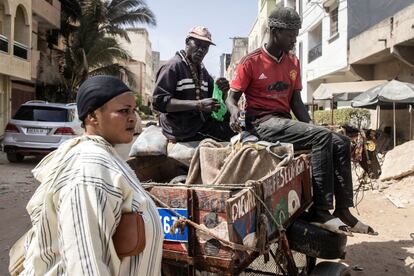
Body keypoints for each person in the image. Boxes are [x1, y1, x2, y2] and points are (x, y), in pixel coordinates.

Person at [226, 7, 376, 235]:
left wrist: (312, 126)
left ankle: (343, 210)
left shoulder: (293, 62)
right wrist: (234, 111)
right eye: (290, 34)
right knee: (322, 136)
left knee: (341, 141)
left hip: (284, 122)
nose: (294, 40)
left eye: (296, 34)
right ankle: (321, 211)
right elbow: (231, 98)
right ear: (275, 32)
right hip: (262, 123)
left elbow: (296, 102)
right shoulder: (251, 62)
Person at [19, 75, 163, 275]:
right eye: (123, 111)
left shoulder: (106, 156)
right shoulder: (88, 170)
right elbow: (85, 264)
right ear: (92, 117)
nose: (133, 118)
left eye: (133, 110)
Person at [152, 26, 235, 142]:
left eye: (205, 47)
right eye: (198, 45)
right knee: (229, 137)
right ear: (187, 42)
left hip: (199, 124)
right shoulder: (173, 67)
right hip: (181, 128)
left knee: (236, 130)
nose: (201, 50)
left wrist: (222, 90)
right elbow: (159, 102)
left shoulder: (202, 70)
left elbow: (215, 97)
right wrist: (198, 104)